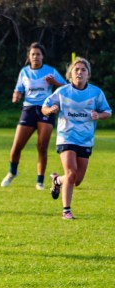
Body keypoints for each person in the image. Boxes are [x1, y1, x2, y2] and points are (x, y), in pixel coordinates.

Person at [41, 57, 111, 220]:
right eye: (76, 70)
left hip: (85, 139)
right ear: (70, 74)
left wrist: (98, 115)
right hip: (66, 137)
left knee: (76, 180)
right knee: (71, 173)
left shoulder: (96, 93)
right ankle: (66, 211)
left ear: (88, 75)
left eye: (83, 70)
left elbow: (108, 112)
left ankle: (57, 181)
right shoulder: (62, 91)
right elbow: (44, 107)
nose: (79, 72)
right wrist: (50, 110)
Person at [1, 42, 64, 190]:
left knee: (42, 147)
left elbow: (67, 88)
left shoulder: (50, 71)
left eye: (38, 54)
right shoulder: (24, 72)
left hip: (45, 109)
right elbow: (18, 89)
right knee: (17, 146)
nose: (35, 57)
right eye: (33, 54)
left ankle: (40, 181)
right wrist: (16, 96)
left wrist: (54, 82)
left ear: (43, 56)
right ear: (29, 57)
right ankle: (12, 172)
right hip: (28, 110)